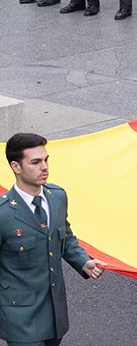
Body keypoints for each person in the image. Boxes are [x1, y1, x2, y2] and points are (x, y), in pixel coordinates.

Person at [0, 133, 106, 346]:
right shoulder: (3, 214)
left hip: (55, 313)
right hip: (20, 319)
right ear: (16, 167)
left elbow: (64, 235)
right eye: (36, 162)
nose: (45, 167)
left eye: (46, 160)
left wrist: (83, 262)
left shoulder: (57, 197)